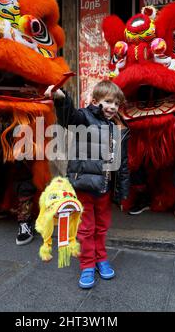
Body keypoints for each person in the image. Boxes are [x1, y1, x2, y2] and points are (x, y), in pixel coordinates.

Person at [45, 80, 130, 289]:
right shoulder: (85, 117)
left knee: (101, 228)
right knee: (86, 229)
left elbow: (124, 162)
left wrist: (122, 191)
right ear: (95, 101)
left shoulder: (118, 127)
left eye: (117, 103)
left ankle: (101, 259)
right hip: (84, 186)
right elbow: (69, 117)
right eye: (108, 101)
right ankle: (88, 265)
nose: (113, 107)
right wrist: (61, 98)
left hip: (104, 188)